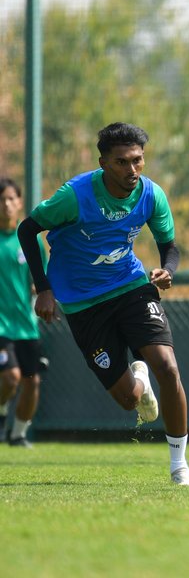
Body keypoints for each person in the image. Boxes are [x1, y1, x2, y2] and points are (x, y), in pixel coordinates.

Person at [16, 122, 189, 486]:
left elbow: (170, 246)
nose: (132, 170)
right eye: (122, 162)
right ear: (103, 163)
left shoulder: (151, 195)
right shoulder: (76, 195)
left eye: (138, 160)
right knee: (129, 401)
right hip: (82, 303)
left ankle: (180, 467)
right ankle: (139, 381)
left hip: (130, 286)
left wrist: (168, 270)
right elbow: (27, 228)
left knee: (168, 367)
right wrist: (45, 288)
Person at [0, 176, 48, 448]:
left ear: (19, 203)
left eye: (11, 199)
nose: (6, 204)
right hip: (1, 326)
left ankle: (17, 434)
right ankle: (2, 408)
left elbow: (39, 281)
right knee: (11, 378)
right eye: (2, 199)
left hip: (26, 324)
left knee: (32, 382)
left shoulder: (28, 240)